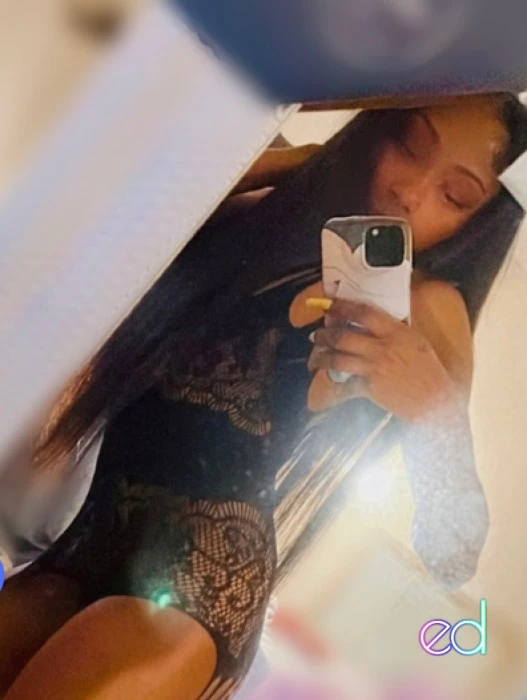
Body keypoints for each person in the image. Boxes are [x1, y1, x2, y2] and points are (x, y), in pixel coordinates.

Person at [1, 93, 526, 699]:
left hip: (203, 585)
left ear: (476, 224)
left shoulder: (428, 303)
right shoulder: (255, 225)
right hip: (82, 547)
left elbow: (452, 555)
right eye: (407, 145)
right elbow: (123, 202)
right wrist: (303, 161)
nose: (410, 191)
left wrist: (436, 416)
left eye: (455, 195)